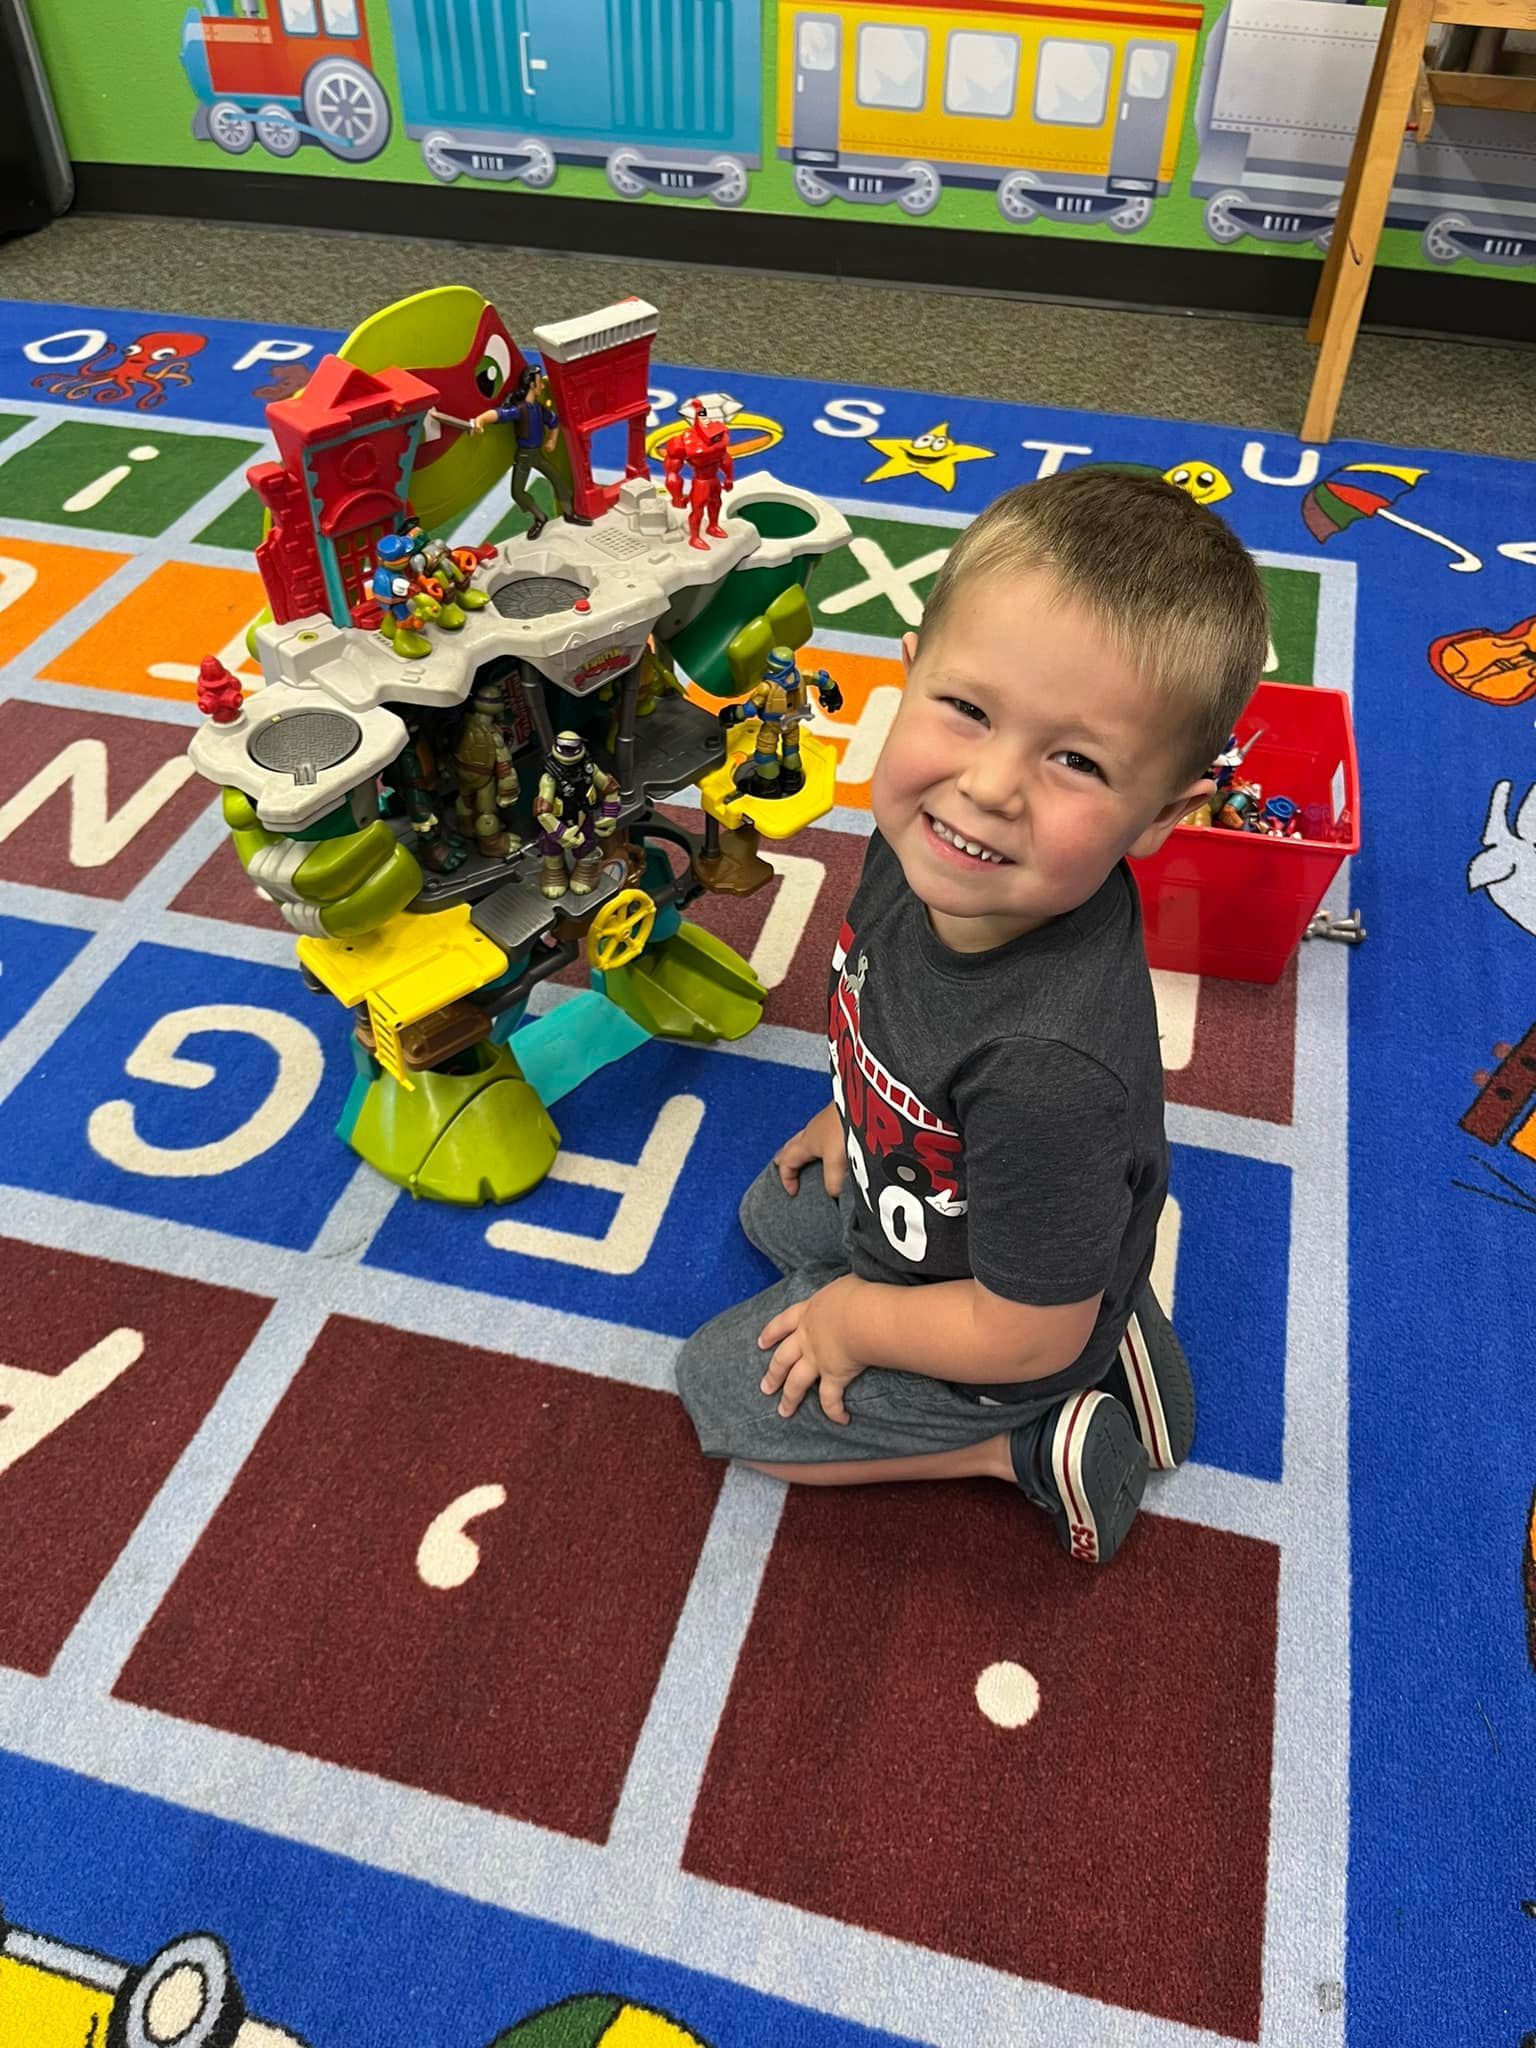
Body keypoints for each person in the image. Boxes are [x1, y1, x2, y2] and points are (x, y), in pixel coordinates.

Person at [674, 470, 1270, 1565]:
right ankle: (1104, 1299)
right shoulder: (933, 847)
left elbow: (1021, 1324)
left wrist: (860, 1320)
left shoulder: (1048, 1065)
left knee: (723, 1396)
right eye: (967, 708)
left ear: (1161, 817)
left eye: (1077, 761)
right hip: (949, 1187)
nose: (989, 785)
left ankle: (1040, 1437)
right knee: (775, 1212)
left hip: (1016, 1318)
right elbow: (887, 1005)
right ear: (909, 675)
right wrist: (848, 1110)